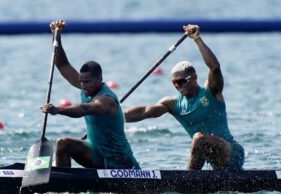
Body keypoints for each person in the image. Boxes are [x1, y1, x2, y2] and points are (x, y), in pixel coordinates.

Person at [125, 24, 244, 170]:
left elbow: (214, 67)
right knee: (199, 140)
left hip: (232, 152)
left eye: (181, 81)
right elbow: (145, 111)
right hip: (213, 159)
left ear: (194, 77)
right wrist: (114, 114)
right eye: (174, 83)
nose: (178, 86)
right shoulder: (173, 104)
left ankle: (188, 183)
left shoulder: (211, 91)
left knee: (199, 138)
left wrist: (197, 39)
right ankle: (193, 183)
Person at [41, 20, 139, 169]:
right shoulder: (84, 85)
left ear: (100, 80)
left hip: (118, 162)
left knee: (63, 142)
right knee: (63, 143)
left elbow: (84, 109)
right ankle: (63, 184)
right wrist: (56, 37)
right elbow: (62, 65)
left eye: (88, 82)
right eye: (81, 81)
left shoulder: (107, 100)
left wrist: (58, 110)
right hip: (95, 153)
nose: (83, 86)